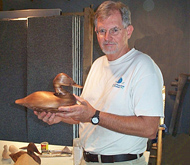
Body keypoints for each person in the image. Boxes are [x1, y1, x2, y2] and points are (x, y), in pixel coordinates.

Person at [34, 1, 164, 164]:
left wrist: (94, 115)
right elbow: (88, 116)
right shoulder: (98, 65)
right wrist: (60, 116)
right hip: (88, 159)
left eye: (114, 30)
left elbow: (150, 129)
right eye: (102, 31)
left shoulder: (143, 67)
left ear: (128, 31)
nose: (107, 37)